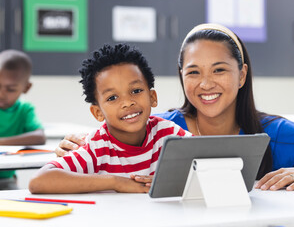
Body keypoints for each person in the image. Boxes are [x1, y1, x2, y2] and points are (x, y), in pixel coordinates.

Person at [56, 23, 294, 191]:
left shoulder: (275, 133)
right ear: (181, 77)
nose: (205, 83)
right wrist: (77, 146)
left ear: (241, 75)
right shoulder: (157, 129)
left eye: (219, 70)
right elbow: (108, 144)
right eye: (193, 72)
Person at [28, 43, 192, 194]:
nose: (127, 103)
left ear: (152, 97)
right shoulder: (96, 146)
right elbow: (38, 182)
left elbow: (208, 160)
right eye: (112, 98)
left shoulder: (168, 133)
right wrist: (115, 182)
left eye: (136, 91)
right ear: (97, 112)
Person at [0, 49, 45, 190]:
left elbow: (39, 137)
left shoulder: (25, 110)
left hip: (5, 180)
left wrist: (1, 142)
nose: (1, 94)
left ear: (26, 87)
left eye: (11, 89)